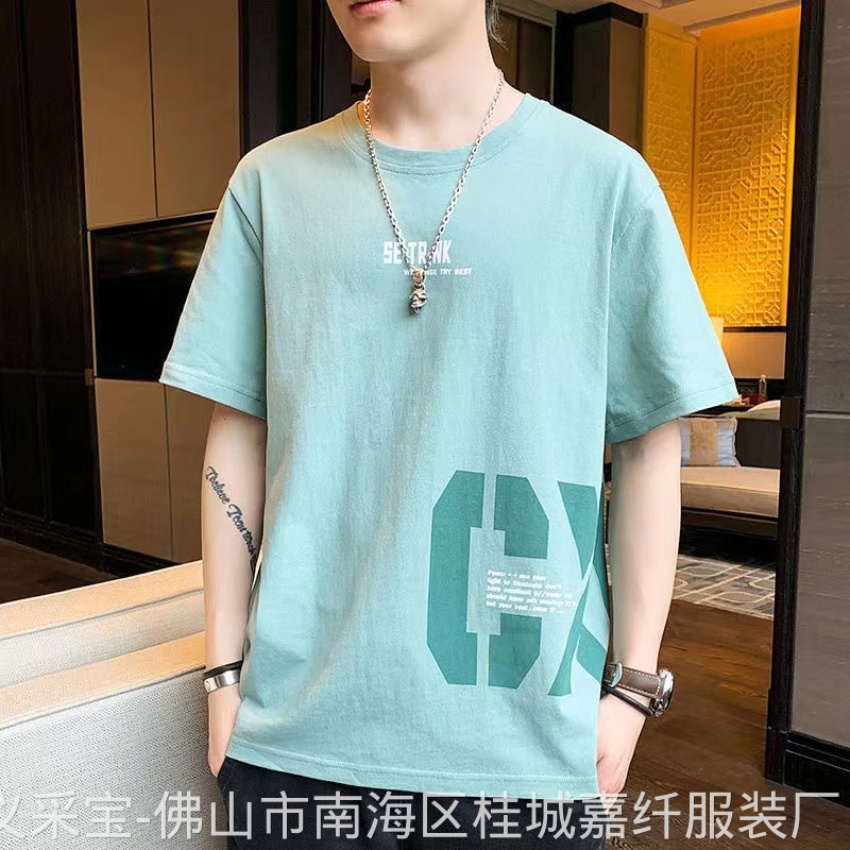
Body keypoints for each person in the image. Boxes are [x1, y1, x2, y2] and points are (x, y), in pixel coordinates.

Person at [158, 1, 738, 846]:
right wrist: (222, 678)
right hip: (299, 730)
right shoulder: (271, 185)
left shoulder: (603, 182)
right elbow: (239, 430)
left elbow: (650, 446)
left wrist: (633, 688)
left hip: (532, 741)